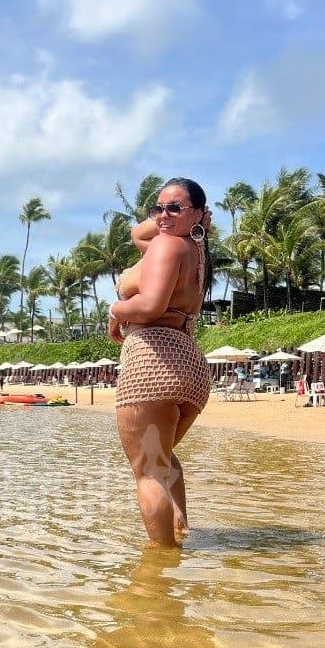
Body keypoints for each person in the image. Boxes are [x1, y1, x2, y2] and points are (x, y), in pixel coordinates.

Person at [108, 177, 212, 547]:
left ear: (198, 213)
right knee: (163, 457)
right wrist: (182, 216)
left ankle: (161, 567)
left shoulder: (167, 245)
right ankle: (182, 531)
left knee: (149, 472)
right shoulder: (195, 249)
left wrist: (116, 310)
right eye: (159, 208)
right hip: (190, 366)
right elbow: (138, 233)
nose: (163, 216)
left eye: (174, 208)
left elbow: (151, 305)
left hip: (154, 361)